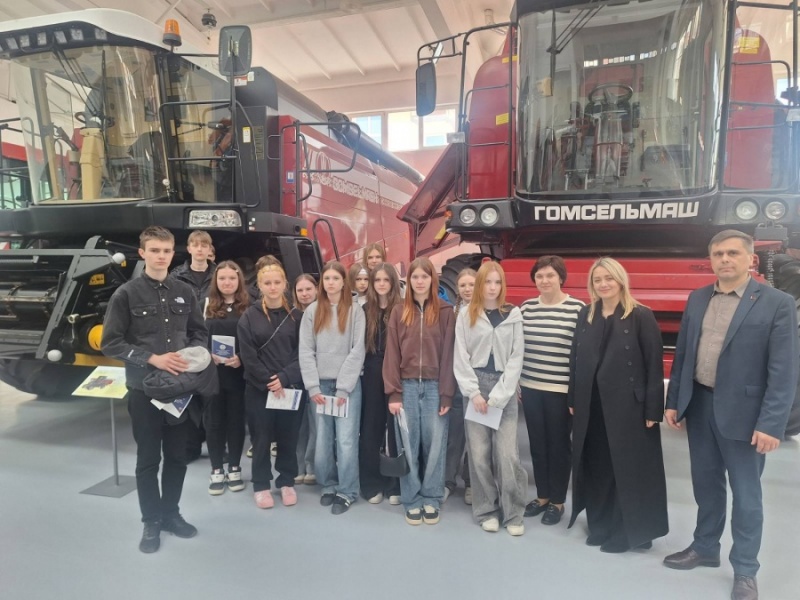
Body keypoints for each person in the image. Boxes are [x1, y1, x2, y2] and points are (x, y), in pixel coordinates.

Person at [663, 230, 798, 600]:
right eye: (719, 253)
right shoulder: (698, 298)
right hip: (700, 406)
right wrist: (674, 400)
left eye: (733, 253)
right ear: (711, 259)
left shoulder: (777, 303)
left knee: (747, 495)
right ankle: (705, 547)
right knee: (706, 486)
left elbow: (784, 370)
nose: (725, 259)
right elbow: (684, 354)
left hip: (746, 415)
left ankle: (745, 569)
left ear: (750, 259)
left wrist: (771, 424)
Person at [101, 226, 207, 554]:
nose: (161, 256)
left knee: (177, 457)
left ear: (173, 253)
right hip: (143, 390)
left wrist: (191, 357)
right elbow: (110, 342)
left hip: (178, 391)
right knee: (148, 460)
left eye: (166, 250)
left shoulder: (184, 291)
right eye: (155, 250)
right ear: (142, 253)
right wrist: (152, 358)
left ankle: (171, 514)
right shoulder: (126, 294)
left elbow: (199, 333)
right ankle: (151, 521)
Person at [568, 257, 668, 553]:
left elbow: (654, 363)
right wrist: (573, 398)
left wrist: (653, 409)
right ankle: (600, 525)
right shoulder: (586, 314)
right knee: (597, 465)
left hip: (629, 408)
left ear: (620, 280)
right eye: (598, 279)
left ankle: (628, 531)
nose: (603, 284)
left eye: (608, 278)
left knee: (626, 468)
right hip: (592, 405)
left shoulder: (640, 315)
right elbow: (575, 359)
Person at [453, 261, 527, 536]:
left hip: (503, 388)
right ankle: (486, 510)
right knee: (479, 454)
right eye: (487, 282)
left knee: (507, 454)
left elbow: (516, 357)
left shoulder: (513, 314)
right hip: (475, 386)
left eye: (497, 282)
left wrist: (499, 396)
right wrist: (474, 393)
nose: (492, 288)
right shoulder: (466, 314)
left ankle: (513, 512)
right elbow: (460, 356)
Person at [383, 257, 456, 526]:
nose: (420, 281)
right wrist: (394, 393)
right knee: (408, 445)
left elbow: (449, 355)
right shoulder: (399, 311)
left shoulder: (446, 312)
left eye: (425, 276)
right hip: (407, 387)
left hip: (436, 387)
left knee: (435, 446)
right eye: (415, 276)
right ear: (409, 280)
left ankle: (432, 497)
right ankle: (411, 498)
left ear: (432, 279)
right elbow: (392, 353)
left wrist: (447, 393)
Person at [519, 256, 584, 525]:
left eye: (550, 275)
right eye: (539, 276)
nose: (544, 280)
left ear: (561, 278)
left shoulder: (577, 309)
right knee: (537, 444)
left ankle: (558, 502)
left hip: (560, 391)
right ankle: (542, 496)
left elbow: (582, 355)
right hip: (530, 388)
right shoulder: (526, 308)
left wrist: (576, 393)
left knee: (559, 446)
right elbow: (517, 348)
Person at [299, 261, 366, 515]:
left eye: (335, 278)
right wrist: (313, 387)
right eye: (326, 278)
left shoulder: (355, 311)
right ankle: (328, 484)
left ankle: (347, 491)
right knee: (323, 440)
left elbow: (357, 350)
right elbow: (306, 350)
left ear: (343, 282)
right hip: (320, 388)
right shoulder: (312, 311)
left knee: (346, 441)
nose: (331, 283)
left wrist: (343, 388)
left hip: (346, 388)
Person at [238, 263, 304, 509]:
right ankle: (261, 484)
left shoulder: (297, 316)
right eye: (267, 283)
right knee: (261, 437)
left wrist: (285, 378)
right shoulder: (248, 317)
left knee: (288, 436)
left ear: (285, 284)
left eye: (277, 282)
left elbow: (303, 352)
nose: (273, 287)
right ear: (260, 286)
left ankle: (286, 481)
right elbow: (248, 355)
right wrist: (269, 380)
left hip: (290, 387)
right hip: (259, 389)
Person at [203, 261, 250, 495]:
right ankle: (216, 469)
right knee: (213, 423)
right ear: (216, 281)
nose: (227, 282)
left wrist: (241, 357)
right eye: (222, 278)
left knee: (236, 422)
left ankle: (234, 467)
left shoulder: (249, 307)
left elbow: (255, 340)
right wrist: (205, 354)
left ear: (239, 280)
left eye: (232, 278)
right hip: (213, 375)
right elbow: (195, 336)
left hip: (238, 375)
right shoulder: (205, 305)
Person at [360, 263, 403, 505]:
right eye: (378, 280)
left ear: (393, 282)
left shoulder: (402, 309)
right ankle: (371, 483)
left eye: (386, 280)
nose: (382, 284)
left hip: (396, 371)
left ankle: (395, 483)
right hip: (372, 372)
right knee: (371, 428)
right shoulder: (365, 310)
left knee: (395, 429)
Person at [444, 268, 476, 504]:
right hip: (456, 384)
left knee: (476, 438)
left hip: (479, 385)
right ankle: (447, 481)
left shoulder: (486, 313)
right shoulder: (453, 314)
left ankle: (472, 482)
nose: (467, 289)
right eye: (463, 285)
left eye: (471, 284)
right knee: (454, 437)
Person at [293, 274, 319, 485]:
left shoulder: (323, 313)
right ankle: (297, 465)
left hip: (317, 376)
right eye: (300, 290)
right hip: (295, 376)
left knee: (315, 425)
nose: (304, 294)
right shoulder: (290, 316)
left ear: (317, 289)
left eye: (308, 289)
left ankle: (312, 466)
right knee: (297, 425)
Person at [171, 230, 215, 301]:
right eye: (195, 245)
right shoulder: (177, 275)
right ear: (189, 249)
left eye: (204, 246)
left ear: (210, 249)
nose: (199, 249)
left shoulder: (219, 274)